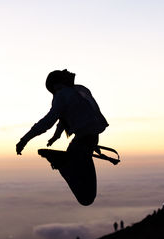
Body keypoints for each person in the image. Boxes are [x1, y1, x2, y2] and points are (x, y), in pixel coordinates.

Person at [16, 69, 109, 205]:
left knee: (86, 197)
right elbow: (67, 117)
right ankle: (62, 162)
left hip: (82, 143)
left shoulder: (62, 95)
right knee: (86, 197)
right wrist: (55, 136)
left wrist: (25, 139)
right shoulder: (77, 92)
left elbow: (50, 120)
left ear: (54, 85)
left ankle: (61, 162)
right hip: (86, 142)